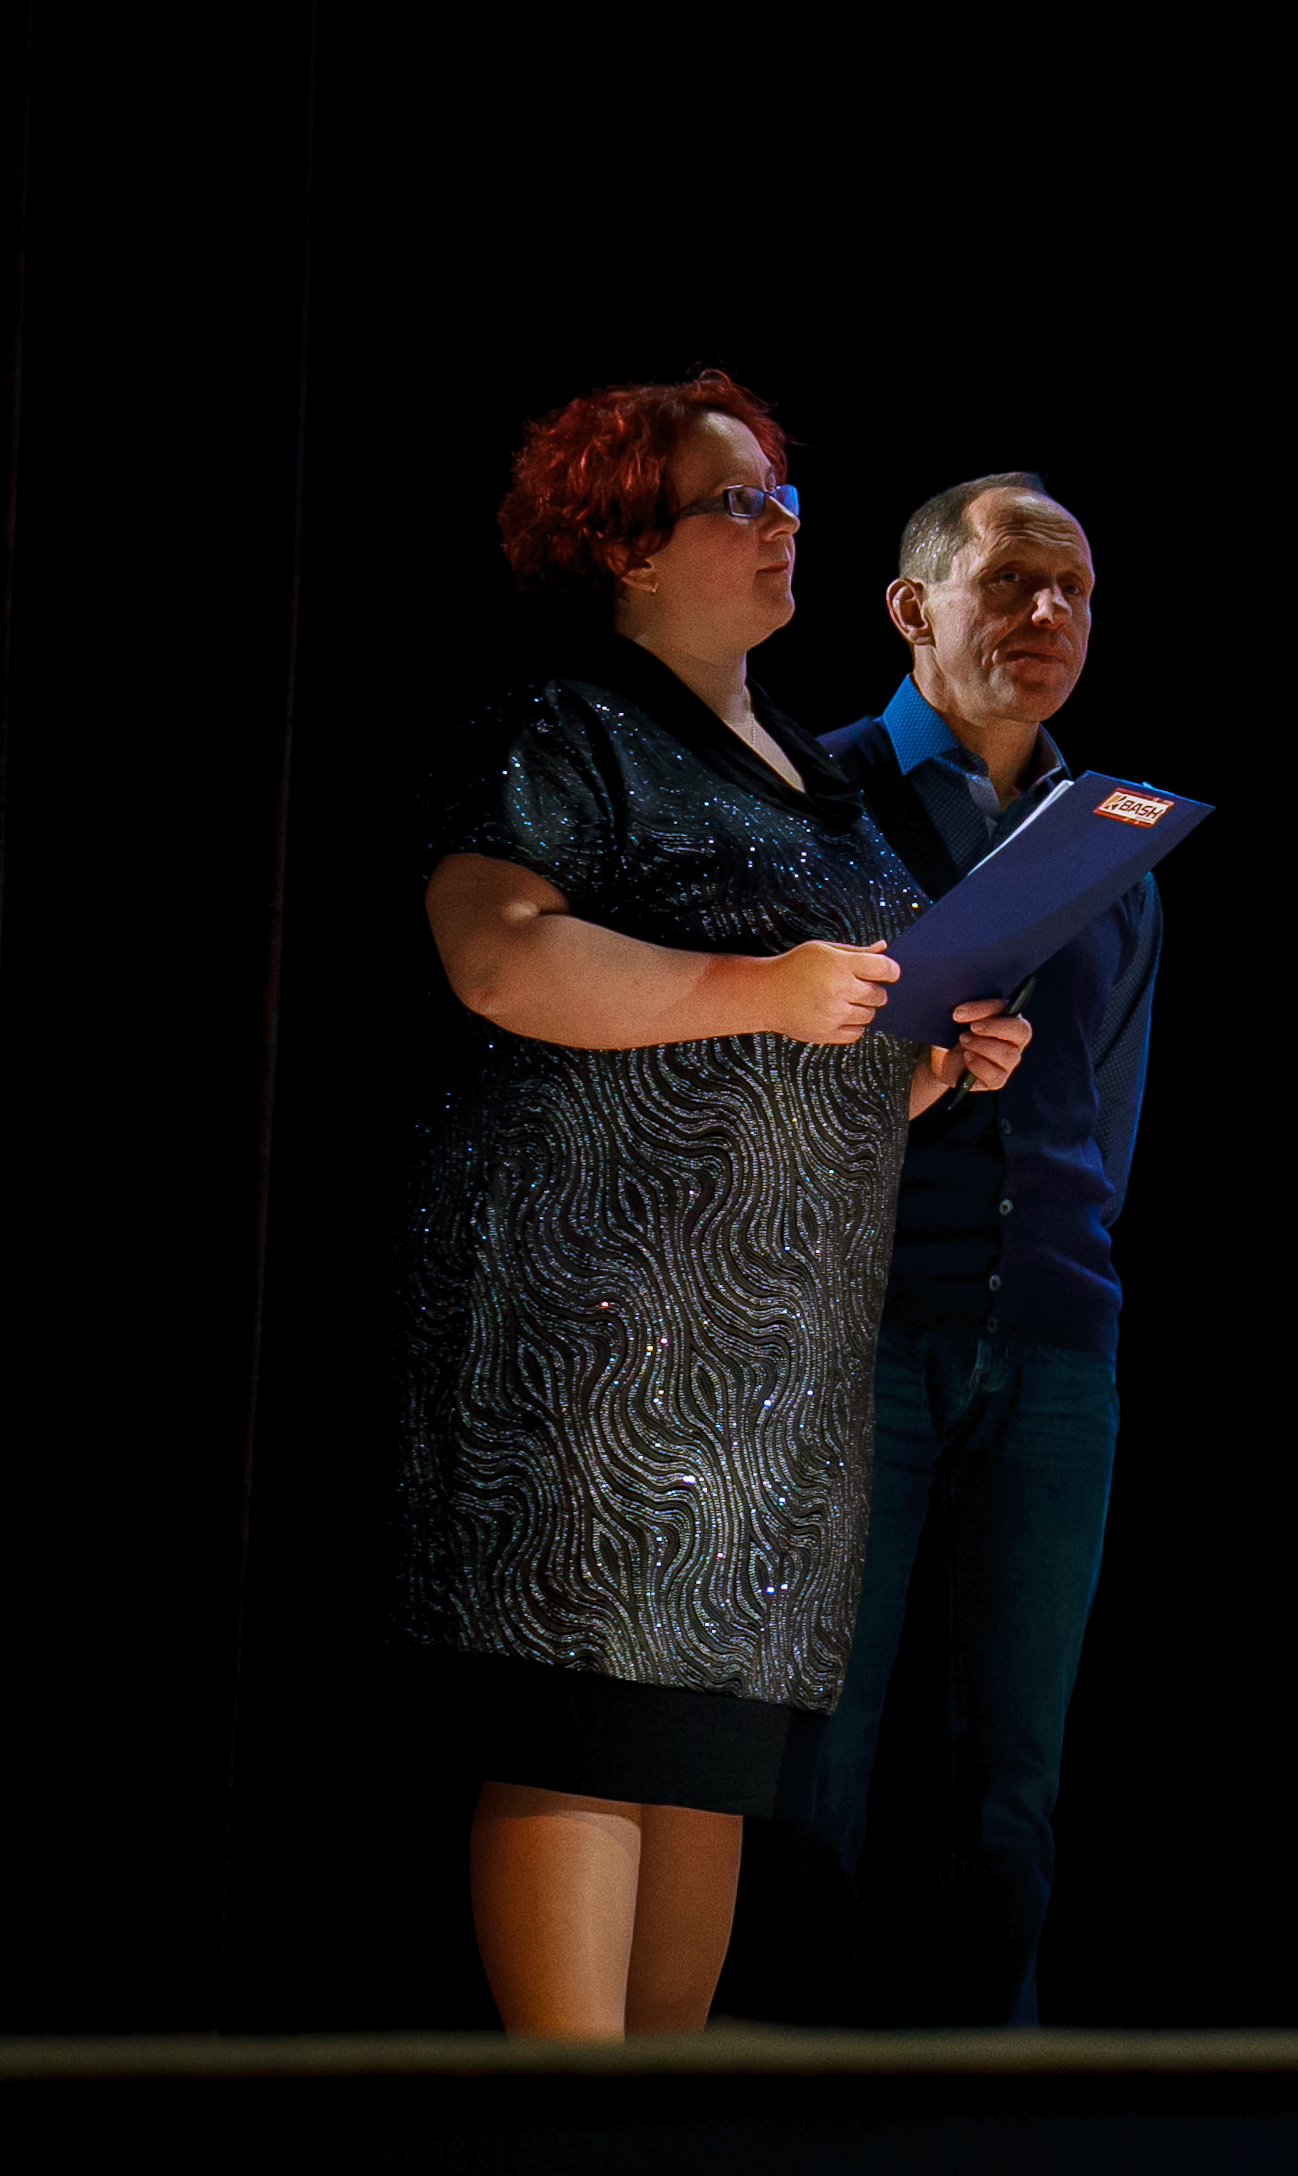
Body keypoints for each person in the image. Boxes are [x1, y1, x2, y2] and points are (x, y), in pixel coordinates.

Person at [399, 374, 1033, 2040]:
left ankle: (648, 2144)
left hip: (767, 1385)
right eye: (735, 502)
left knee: (704, 1756)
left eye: (783, 499)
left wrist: (927, 1067)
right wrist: (765, 985)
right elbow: (495, 953)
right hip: (603, 1355)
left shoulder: (809, 773)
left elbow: (793, 1066)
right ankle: (562, 2138)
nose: (780, 526)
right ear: (627, 546)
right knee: (587, 1731)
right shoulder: (570, 727)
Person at [744, 474, 1157, 2025]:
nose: (1049, 613)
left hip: (1052, 1349)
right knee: (816, 1762)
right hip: (852, 1334)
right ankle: (782, 2103)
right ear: (913, 609)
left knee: (1012, 1786)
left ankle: (999, 2110)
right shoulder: (813, 791)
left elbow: (1107, 1114)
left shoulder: (1110, 838)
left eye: (1076, 589)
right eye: (1011, 583)